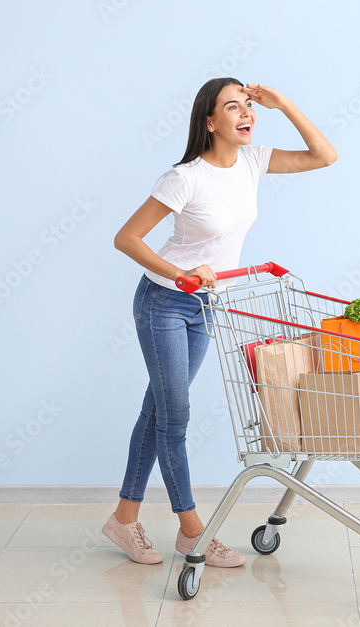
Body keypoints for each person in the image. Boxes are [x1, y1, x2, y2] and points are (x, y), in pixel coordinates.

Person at [103, 77, 338, 566]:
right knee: (175, 418)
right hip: (164, 302)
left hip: (206, 307)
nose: (246, 113)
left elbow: (324, 156)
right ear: (210, 122)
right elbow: (127, 238)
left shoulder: (253, 162)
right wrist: (181, 272)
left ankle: (124, 520)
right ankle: (191, 529)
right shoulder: (184, 176)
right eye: (233, 107)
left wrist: (286, 103)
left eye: (249, 105)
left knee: (157, 412)